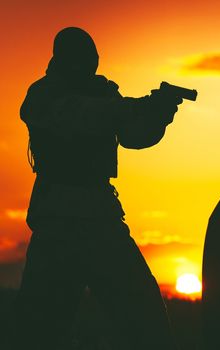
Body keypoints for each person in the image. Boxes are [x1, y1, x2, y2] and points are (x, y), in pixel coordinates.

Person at [9, 27, 182, 350]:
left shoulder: (103, 93)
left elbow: (134, 136)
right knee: (38, 330)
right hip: (57, 225)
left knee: (145, 316)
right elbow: (82, 115)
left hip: (101, 220)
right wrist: (135, 105)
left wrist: (161, 114)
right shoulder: (43, 95)